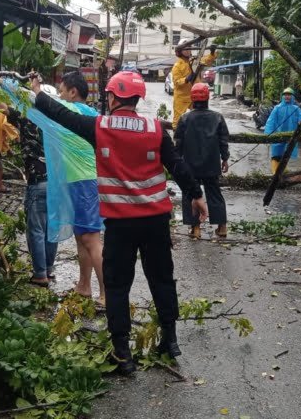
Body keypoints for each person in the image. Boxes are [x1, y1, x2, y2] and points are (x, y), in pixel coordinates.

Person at [30, 70, 207, 375]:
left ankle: (122, 352)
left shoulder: (100, 127)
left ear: (111, 97)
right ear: (138, 98)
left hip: (120, 224)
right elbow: (176, 165)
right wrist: (196, 194)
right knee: (162, 278)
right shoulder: (154, 127)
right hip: (154, 220)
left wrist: (35, 92)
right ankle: (170, 339)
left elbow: (59, 114)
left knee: (117, 284)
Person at [56, 71, 106, 302]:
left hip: (83, 182)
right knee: (81, 237)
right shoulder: (92, 113)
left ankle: (108, 293)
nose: (59, 95)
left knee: (91, 239)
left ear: (72, 92)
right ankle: (84, 285)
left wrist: (3, 82)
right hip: (84, 180)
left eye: (62, 91)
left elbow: (36, 100)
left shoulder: (74, 112)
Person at [5, 90, 55, 288]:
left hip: (38, 181)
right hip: (57, 182)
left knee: (36, 229)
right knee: (51, 228)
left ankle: (40, 274)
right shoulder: (57, 122)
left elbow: (2, 106)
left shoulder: (27, 119)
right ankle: (49, 269)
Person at [175, 83, 230, 240]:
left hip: (189, 166)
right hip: (211, 165)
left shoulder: (185, 118)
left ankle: (196, 228)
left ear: (192, 99)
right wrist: (225, 158)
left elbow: (178, 143)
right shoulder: (218, 117)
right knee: (214, 193)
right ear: (207, 98)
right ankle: (222, 227)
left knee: (191, 194)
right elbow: (223, 141)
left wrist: (177, 164)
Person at [170, 42, 217, 127]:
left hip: (195, 95)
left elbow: (207, 60)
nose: (188, 50)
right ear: (180, 51)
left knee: (200, 117)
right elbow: (176, 82)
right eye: (186, 48)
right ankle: (177, 139)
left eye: (189, 47)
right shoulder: (177, 66)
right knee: (178, 121)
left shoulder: (195, 61)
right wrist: (186, 79)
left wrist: (212, 52)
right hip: (181, 97)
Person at [264, 88, 301, 174]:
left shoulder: (296, 109)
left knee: (285, 155)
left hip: (290, 136)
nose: (287, 97)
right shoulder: (277, 108)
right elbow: (270, 121)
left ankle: (282, 172)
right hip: (277, 135)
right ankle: (275, 173)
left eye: (289, 95)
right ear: (282, 96)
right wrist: (268, 134)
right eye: (285, 95)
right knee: (276, 155)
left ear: (292, 97)